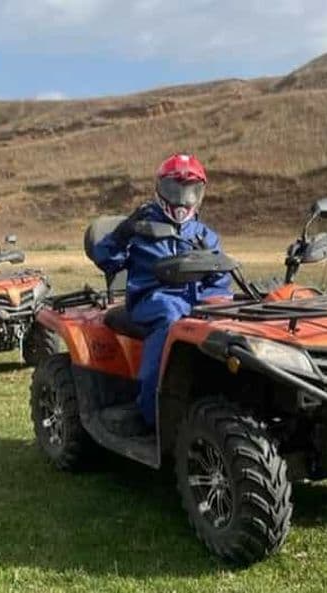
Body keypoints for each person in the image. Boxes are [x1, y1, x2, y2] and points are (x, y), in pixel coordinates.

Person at [92, 154, 232, 430]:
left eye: (190, 190)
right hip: (150, 302)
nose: (181, 199)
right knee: (172, 317)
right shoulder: (141, 227)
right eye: (174, 190)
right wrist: (123, 232)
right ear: (160, 189)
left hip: (196, 306)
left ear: (199, 194)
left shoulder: (205, 236)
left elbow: (220, 280)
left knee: (225, 319)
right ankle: (153, 412)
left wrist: (214, 302)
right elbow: (105, 258)